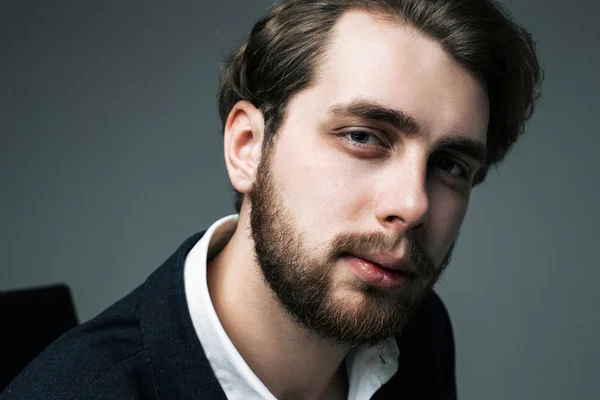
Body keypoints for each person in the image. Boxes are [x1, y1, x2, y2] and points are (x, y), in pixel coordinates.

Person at [1, 0, 542, 399]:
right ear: (247, 147)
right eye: (362, 136)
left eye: (450, 165)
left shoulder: (415, 329)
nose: (413, 204)